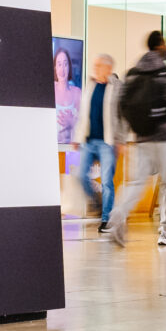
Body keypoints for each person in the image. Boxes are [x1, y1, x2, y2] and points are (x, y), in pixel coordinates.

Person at [107, 32, 166, 249]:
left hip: (141, 139)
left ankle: (117, 216)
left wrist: (122, 137)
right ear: (160, 46)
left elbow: (120, 105)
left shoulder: (133, 73)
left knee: (136, 183)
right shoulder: (165, 74)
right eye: (165, 43)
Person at [70, 53, 116, 232]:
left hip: (107, 142)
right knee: (80, 175)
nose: (95, 69)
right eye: (95, 65)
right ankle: (97, 203)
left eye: (99, 66)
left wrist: (121, 141)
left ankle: (107, 219)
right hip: (88, 141)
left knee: (106, 181)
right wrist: (77, 137)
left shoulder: (115, 87)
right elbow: (83, 115)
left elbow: (119, 116)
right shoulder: (90, 86)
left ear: (108, 68)